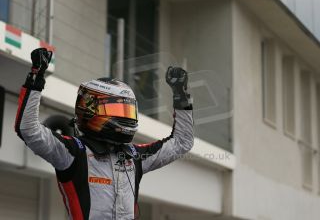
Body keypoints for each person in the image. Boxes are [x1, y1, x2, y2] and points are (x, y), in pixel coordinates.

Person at [14, 48, 194, 220]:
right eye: (116, 109)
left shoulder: (135, 156)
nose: (124, 117)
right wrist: (36, 78)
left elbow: (181, 143)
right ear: (90, 109)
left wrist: (181, 96)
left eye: (127, 110)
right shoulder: (73, 152)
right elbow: (28, 129)